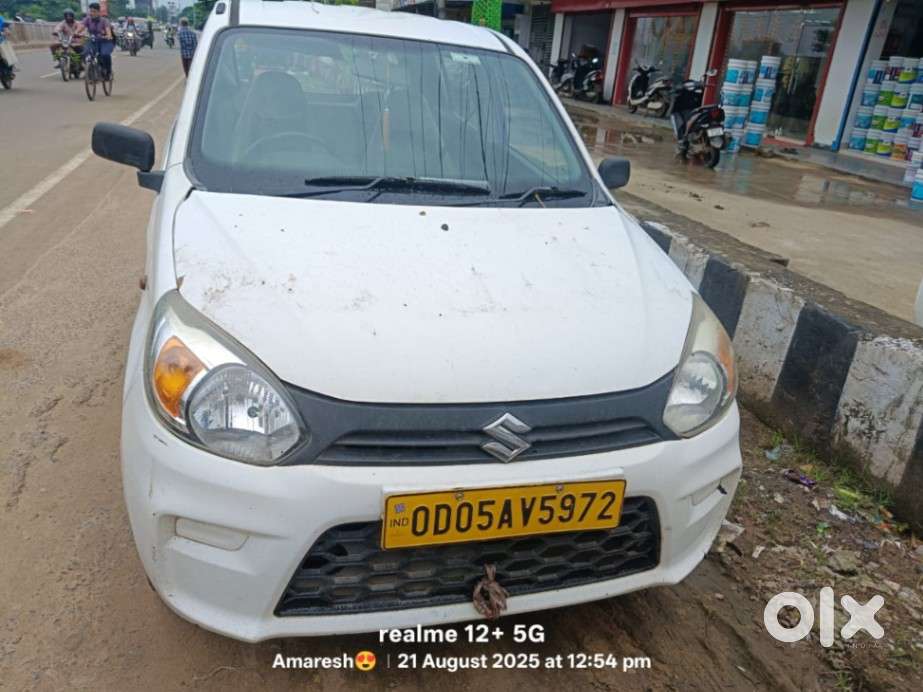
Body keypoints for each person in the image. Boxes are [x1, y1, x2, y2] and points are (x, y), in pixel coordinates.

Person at [82, 3, 114, 79]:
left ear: (99, 12)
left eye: (94, 11)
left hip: (104, 42)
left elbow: (108, 33)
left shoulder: (104, 21)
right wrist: (76, 33)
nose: (91, 13)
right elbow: (80, 27)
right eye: (90, 11)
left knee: (105, 55)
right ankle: (89, 69)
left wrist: (107, 36)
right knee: (85, 52)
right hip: (92, 40)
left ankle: (108, 71)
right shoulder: (87, 19)